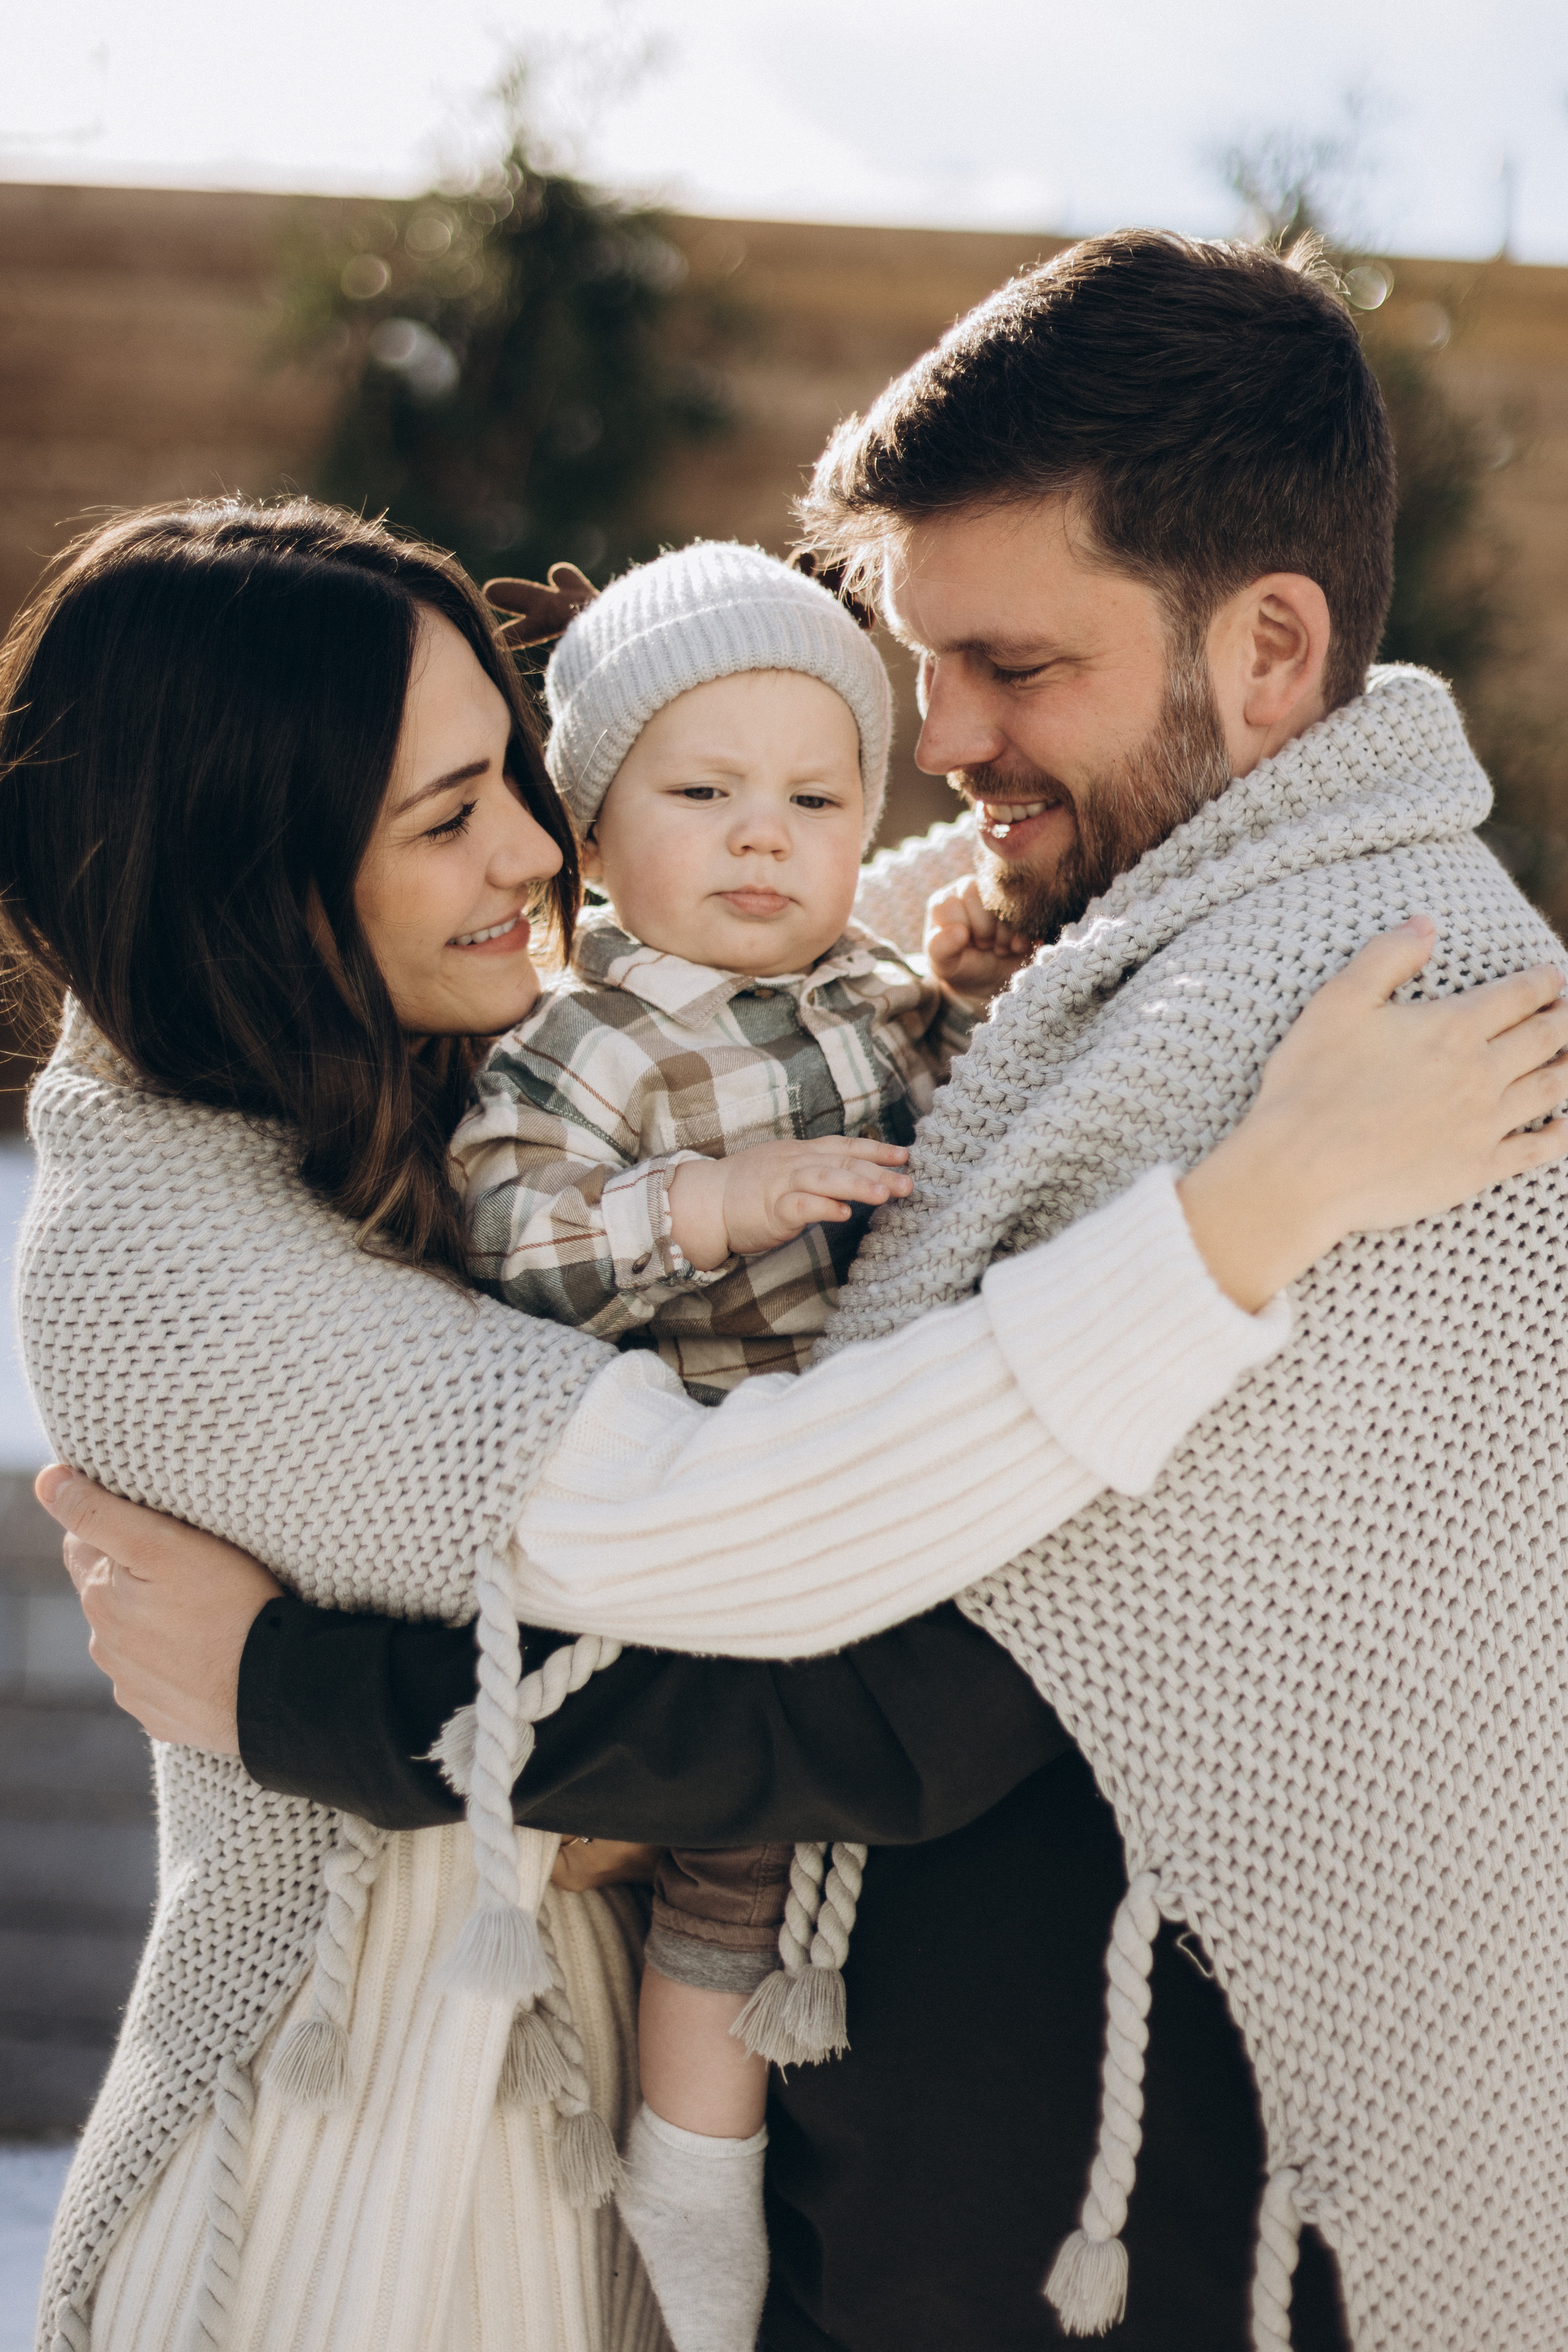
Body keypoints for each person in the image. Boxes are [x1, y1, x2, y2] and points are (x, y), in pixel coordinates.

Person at [53, 229, 1568, 2352]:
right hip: (662, 2195)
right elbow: (750, 983)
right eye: (921, 662)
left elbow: (897, 1692)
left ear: (1273, 649)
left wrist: (296, 1700)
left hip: (1129, 2253)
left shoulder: (1383, 1031)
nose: (937, 738)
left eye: (1011, 668)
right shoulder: (1120, 967)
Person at [449, 538, 1034, 2352]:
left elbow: (958, 1120)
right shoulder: (589, 1038)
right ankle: (691, 2190)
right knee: (741, 1864)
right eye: (702, 796)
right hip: (706, 1514)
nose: (763, 838)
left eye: (815, 795)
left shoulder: (861, 994)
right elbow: (510, 1241)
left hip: (879, 1492)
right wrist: (702, 1202)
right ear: (598, 838)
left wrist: (967, 995)